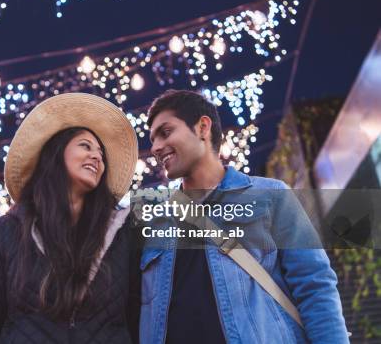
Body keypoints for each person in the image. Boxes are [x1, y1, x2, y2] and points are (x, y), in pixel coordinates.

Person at [139, 89, 349, 343]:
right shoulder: (155, 221)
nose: (156, 147)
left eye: (166, 132)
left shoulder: (271, 195)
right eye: (152, 139)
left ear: (203, 127)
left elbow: (315, 288)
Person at [0, 93, 141, 343]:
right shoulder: (8, 230)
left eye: (101, 153)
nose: (97, 157)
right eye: (85, 146)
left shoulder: (124, 232)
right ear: (57, 153)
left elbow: (139, 319)